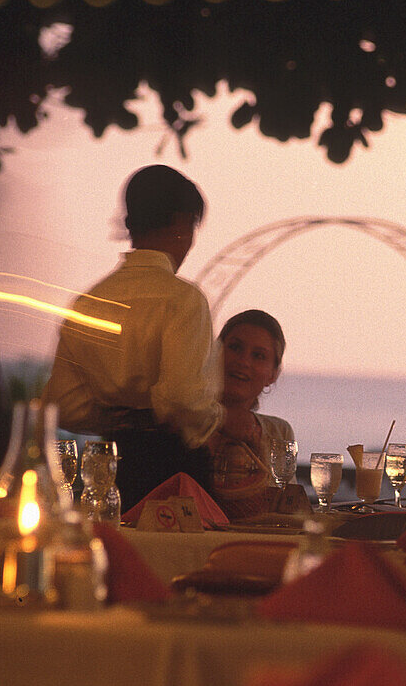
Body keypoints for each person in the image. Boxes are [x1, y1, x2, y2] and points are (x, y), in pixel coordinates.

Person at [43, 165, 254, 509]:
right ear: (181, 223)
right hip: (174, 471)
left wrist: (124, 419)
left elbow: (66, 406)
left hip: (112, 466)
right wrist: (221, 418)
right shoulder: (183, 300)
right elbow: (180, 398)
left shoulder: (88, 302)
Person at [207, 310, 296, 519]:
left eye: (258, 356)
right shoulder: (189, 424)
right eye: (235, 348)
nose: (243, 361)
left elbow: (286, 510)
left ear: (273, 374)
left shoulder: (279, 432)